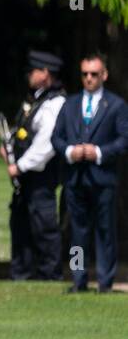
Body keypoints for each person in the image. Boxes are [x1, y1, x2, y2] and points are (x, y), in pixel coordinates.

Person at [51, 53, 128, 292]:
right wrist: (69, 151)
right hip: (76, 178)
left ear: (104, 75)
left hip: (103, 179)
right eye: (85, 74)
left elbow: (123, 140)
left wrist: (99, 152)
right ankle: (79, 279)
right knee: (77, 233)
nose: (89, 78)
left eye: (94, 74)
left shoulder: (116, 105)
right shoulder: (70, 104)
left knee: (105, 232)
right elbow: (57, 137)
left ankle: (105, 281)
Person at [2, 50, 66, 281]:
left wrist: (19, 166)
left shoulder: (54, 103)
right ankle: (22, 272)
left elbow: (45, 145)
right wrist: (8, 147)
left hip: (40, 176)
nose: (29, 74)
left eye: (33, 70)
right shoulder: (35, 100)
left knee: (43, 225)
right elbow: (23, 130)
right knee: (20, 224)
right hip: (26, 176)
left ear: (45, 74)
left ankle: (50, 274)